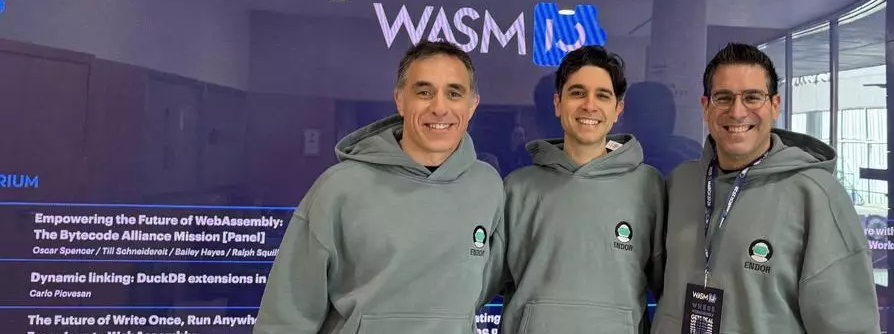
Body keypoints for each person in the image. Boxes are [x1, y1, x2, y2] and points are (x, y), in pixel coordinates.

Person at [254, 40, 505, 334]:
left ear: (472, 105)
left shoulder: (487, 186)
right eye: (424, 92)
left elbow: (481, 287)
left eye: (454, 93)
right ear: (400, 100)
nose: (439, 108)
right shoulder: (339, 188)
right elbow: (286, 316)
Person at [651, 43, 881, 334]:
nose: (737, 112)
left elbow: (848, 324)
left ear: (774, 105)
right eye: (723, 98)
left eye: (752, 97)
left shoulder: (816, 195)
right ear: (706, 107)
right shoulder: (680, 183)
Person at [499, 45, 665, 334]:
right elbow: (478, 282)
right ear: (558, 103)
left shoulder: (649, 187)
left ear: (618, 110)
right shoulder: (517, 188)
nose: (589, 105)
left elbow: (668, 289)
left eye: (602, 95)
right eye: (577, 93)